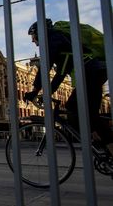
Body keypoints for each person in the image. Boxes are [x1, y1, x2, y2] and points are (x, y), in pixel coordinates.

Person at [23, 19, 113, 156]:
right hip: (94, 71)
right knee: (84, 111)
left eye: (33, 36)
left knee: (75, 108)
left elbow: (45, 66)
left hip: (91, 72)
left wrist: (35, 91)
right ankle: (102, 146)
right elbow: (60, 74)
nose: (33, 40)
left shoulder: (54, 40)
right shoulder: (62, 42)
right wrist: (46, 92)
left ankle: (108, 146)